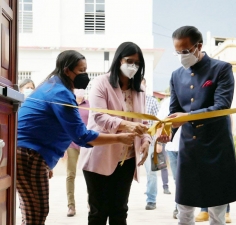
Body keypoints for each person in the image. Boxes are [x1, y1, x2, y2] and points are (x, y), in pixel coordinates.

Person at [16, 50, 138, 225]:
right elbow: (82, 136)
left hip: (30, 153)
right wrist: (119, 138)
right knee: (36, 214)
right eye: (81, 71)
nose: (85, 75)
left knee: (32, 211)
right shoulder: (60, 93)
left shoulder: (51, 86)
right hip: (29, 154)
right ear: (67, 71)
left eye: (86, 70)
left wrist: (46, 163)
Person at [163, 26, 236, 225]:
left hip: (216, 146)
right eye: (178, 51)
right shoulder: (176, 75)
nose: (182, 56)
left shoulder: (221, 69)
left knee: (217, 211)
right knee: (184, 208)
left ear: (199, 46)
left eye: (186, 51)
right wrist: (165, 133)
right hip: (189, 147)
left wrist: (187, 116)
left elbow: (221, 107)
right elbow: (174, 111)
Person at [79, 42, 151, 225]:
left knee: (120, 211)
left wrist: (146, 140)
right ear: (119, 60)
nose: (133, 66)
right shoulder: (101, 83)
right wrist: (127, 125)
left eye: (137, 63)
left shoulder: (139, 90)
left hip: (127, 158)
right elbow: (99, 117)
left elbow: (143, 122)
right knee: (98, 212)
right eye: (129, 61)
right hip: (101, 154)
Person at [141, 79, 171, 211]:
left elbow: (160, 122)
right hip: (131, 140)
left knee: (151, 172)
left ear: (145, 85)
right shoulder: (128, 101)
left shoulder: (152, 101)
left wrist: (158, 141)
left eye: (142, 83)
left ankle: (151, 200)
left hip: (150, 140)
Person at [66, 89, 90, 217]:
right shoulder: (69, 104)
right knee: (70, 175)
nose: (80, 91)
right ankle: (71, 206)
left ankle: (91, 203)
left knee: (90, 173)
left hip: (87, 144)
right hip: (72, 144)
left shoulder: (90, 104)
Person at [156, 96, 180, 219]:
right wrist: (159, 143)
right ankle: (178, 206)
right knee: (177, 180)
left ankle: (204, 208)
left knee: (192, 178)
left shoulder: (192, 97)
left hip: (189, 146)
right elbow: (160, 123)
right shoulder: (166, 102)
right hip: (171, 147)